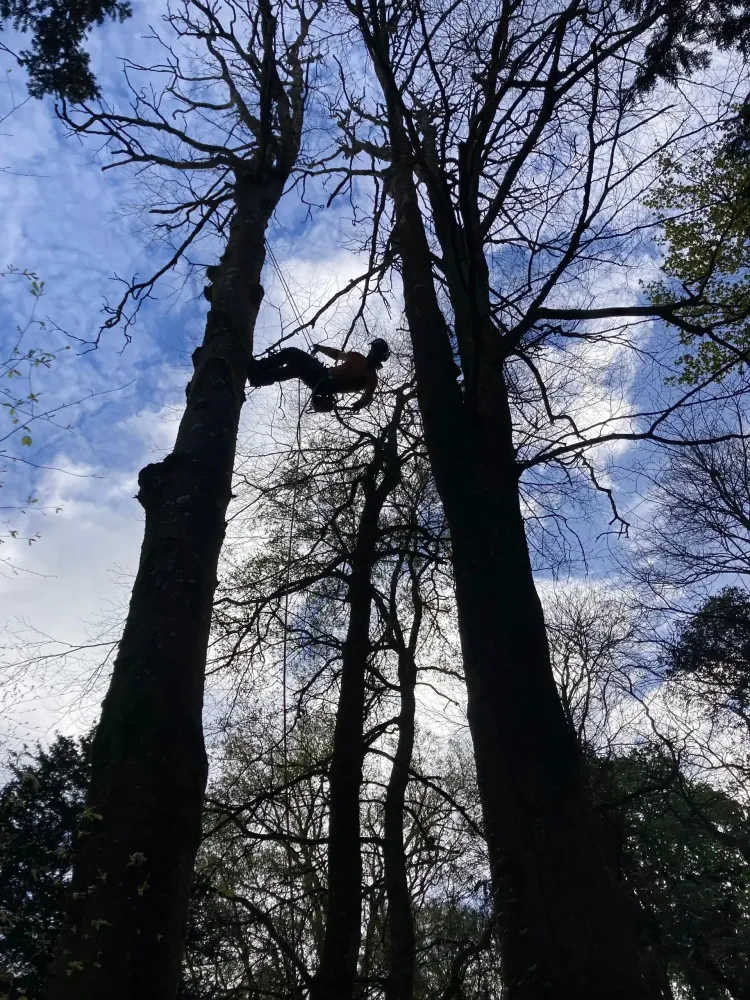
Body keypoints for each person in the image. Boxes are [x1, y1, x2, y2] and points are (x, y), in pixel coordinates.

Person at [248, 338, 391, 413]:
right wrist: (321, 349)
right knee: (292, 353)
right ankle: (260, 368)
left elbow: (367, 396)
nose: (372, 354)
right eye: (373, 350)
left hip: (326, 386)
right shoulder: (356, 357)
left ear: (380, 358)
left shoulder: (371, 378)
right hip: (323, 374)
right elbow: (337, 354)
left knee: (297, 368)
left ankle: (260, 377)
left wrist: (359, 404)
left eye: (376, 353)